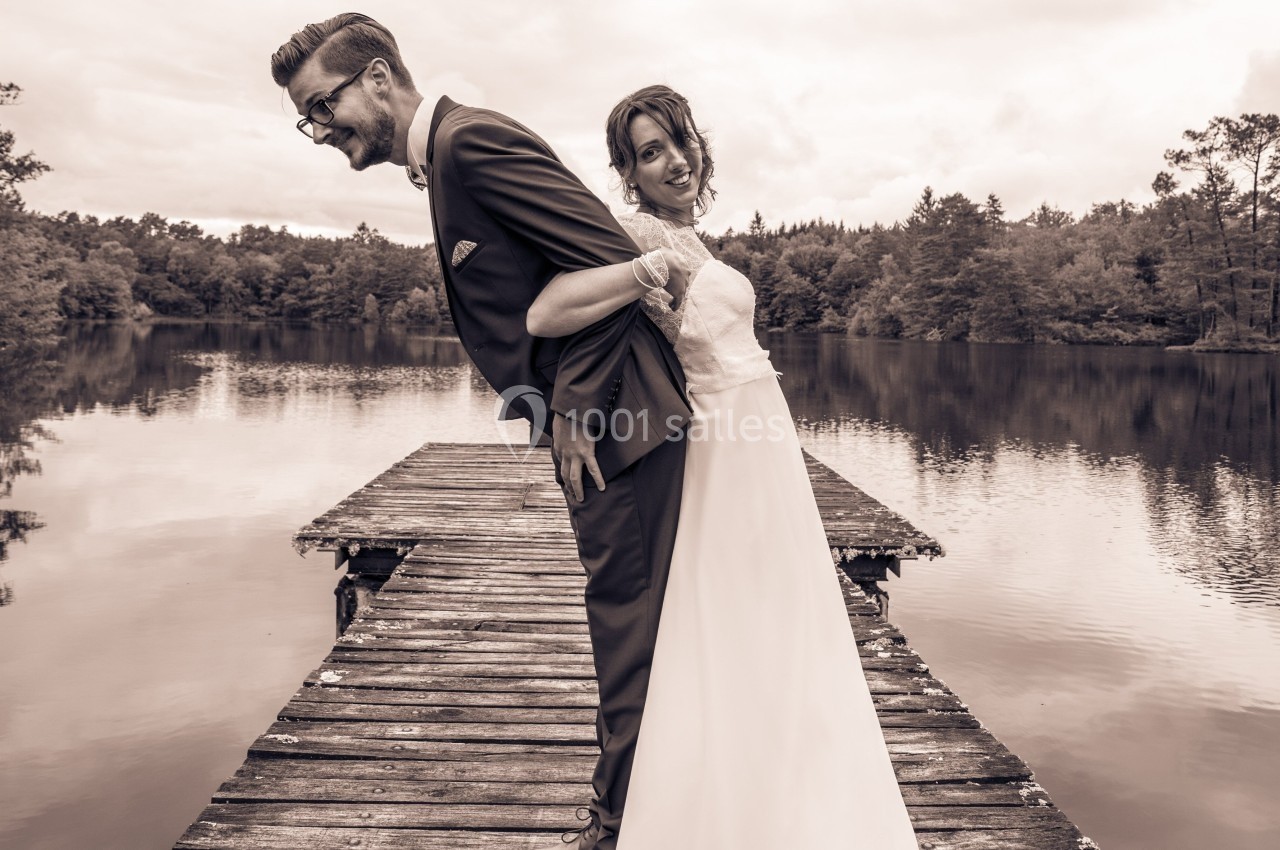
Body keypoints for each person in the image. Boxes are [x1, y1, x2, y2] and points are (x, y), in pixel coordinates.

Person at [269, 17, 694, 850]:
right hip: (611, 425)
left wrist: (571, 407)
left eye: (325, 104)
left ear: (381, 78)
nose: (321, 130)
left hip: (623, 425)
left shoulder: (470, 143)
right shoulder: (445, 163)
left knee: (628, 626)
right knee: (632, 622)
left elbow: (609, 260)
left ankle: (618, 827)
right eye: (307, 118)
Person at [528, 86, 921, 848]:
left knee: (772, 612)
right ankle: (671, 805)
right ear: (628, 173)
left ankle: (769, 777)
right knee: (716, 615)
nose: (673, 159)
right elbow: (557, 316)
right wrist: (572, 405)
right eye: (649, 152)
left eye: (678, 141)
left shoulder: (689, 234)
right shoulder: (636, 230)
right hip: (716, 440)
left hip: (761, 444)